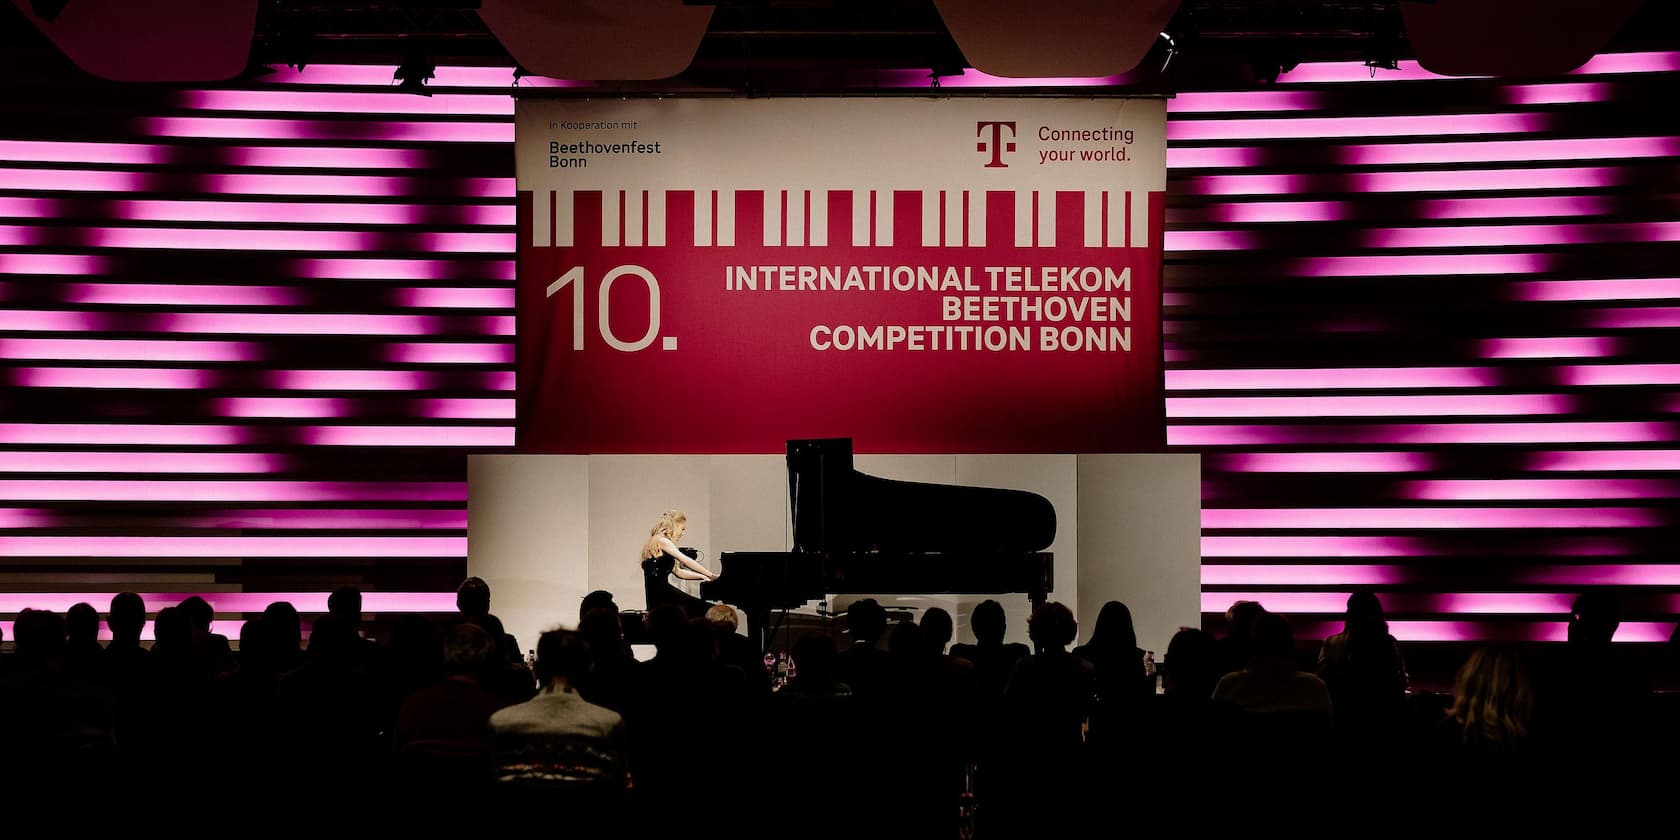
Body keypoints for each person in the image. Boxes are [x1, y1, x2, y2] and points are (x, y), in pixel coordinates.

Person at [640, 510, 716, 620]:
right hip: (663, 596)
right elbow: (685, 560)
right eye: (682, 529)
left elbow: (678, 572)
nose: (683, 533)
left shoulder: (657, 542)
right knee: (709, 611)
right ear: (674, 526)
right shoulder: (662, 541)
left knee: (703, 610)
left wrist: (702, 576)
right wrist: (711, 574)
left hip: (658, 594)